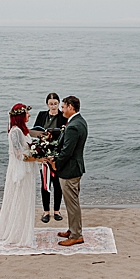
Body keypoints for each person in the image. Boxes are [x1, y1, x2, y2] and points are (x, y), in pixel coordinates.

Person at [0, 104, 43, 251]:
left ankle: (23, 230)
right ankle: (18, 233)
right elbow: (19, 155)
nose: (29, 116)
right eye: (27, 113)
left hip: (26, 169)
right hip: (20, 170)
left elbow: (28, 145)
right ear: (20, 116)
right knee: (20, 198)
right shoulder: (15, 132)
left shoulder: (22, 130)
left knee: (26, 198)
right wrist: (37, 158)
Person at [45, 97, 87, 247]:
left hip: (70, 170)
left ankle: (76, 235)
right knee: (71, 203)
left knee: (72, 204)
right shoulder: (79, 121)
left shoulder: (73, 126)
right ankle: (72, 229)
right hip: (74, 167)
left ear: (70, 107)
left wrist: (55, 163)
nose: (61, 110)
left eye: (63, 107)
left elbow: (67, 151)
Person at [31, 93, 65, 224]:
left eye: (55, 103)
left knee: (57, 183)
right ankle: (46, 211)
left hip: (57, 153)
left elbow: (65, 133)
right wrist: (42, 137)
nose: (53, 106)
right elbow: (35, 131)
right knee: (45, 183)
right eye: (51, 104)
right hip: (44, 152)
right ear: (47, 104)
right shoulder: (42, 115)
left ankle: (57, 211)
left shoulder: (62, 116)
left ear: (58, 103)